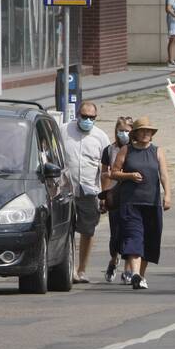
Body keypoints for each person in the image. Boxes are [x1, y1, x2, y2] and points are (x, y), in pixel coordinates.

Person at [111, 117, 171, 290]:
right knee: (133, 237)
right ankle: (135, 273)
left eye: (149, 131)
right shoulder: (126, 150)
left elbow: (164, 175)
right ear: (135, 133)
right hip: (130, 203)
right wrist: (129, 176)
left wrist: (167, 195)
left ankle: (141, 275)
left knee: (150, 240)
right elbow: (114, 172)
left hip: (152, 203)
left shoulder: (158, 151)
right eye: (142, 131)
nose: (146, 133)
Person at [60, 102, 111, 284]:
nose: (87, 120)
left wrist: (105, 195)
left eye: (92, 118)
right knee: (66, 229)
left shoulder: (101, 137)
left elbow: (106, 168)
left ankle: (81, 270)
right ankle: (68, 268)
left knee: (87, 231)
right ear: (78, 115)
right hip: (64, 190)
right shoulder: (63, 131)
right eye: (84, 116)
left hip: (90, 191)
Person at [101, 116, 133, 283]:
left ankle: (128, 268)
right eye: (121, 131)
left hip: (132, 196)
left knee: (130, 232)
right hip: (115, 196)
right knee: (116, 234)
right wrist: (104, 197)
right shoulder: (109, 150)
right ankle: (114, 260)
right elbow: (104, 174)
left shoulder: (136, 149)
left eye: (127, 131)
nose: (124, 134)